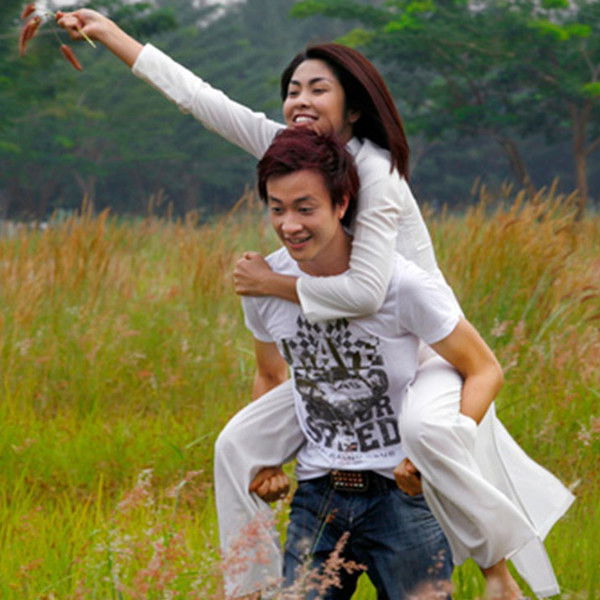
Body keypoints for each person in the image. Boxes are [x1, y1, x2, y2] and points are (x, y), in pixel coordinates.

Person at [55, 10, 574, 600]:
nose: (300, 100)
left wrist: (269, 283)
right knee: (235, 447)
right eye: (293, 90)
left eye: (318, 89)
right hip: (339, 358)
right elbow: (200, 99)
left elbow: (364, 293)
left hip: (423, 349)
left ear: (353, 109)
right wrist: (110, 34)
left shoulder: (375, 172)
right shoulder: (291, 154)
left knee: (427, 433)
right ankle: (250, 588)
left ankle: (495, 571)